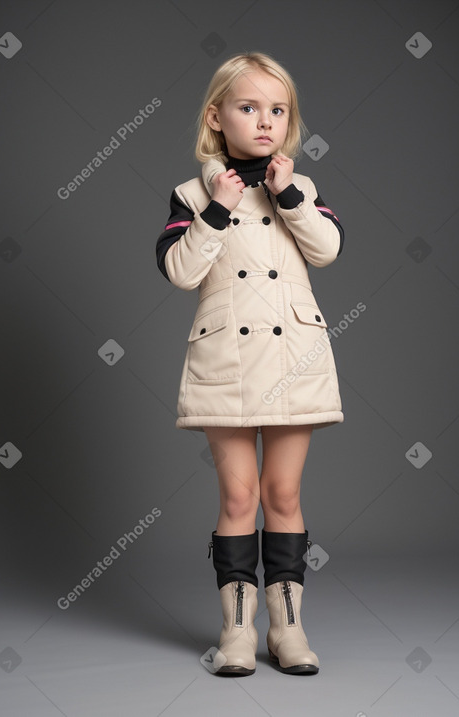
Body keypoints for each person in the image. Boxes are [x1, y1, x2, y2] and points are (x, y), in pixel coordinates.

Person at [155, 51, 345, 676]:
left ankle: (288, 630)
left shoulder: (302, 188)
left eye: (277, 109)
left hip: (293, 352)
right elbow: (181, 272)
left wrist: (288, 194)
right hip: (228, 360)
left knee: (283, 491)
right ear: (216, 116)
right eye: (248, 107)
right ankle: (236, 632)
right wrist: (216, 206)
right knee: (238, 496)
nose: (265, 121)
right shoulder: (191, 193)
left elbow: (327, 251)